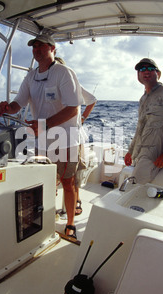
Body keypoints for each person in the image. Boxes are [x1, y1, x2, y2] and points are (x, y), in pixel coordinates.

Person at [0, 34, 84, 241]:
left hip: (67, 138)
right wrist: (7, 107)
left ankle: (70, 224)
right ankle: (48, 218)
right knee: (46, 181)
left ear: (53, 48)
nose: (36, 50)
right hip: (43, 141)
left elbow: (74, 109)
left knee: (68, 182)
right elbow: (19, 103)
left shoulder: (63, 72)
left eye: (41, 46)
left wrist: (44, 124)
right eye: (34, 47)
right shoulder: (30, 76)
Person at [54, 56, 97, 216]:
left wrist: (83, 118)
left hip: (73, 137)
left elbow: (91, 100)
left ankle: (76, 200)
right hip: (53, 138)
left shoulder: (72, 83)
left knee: (72, 173)